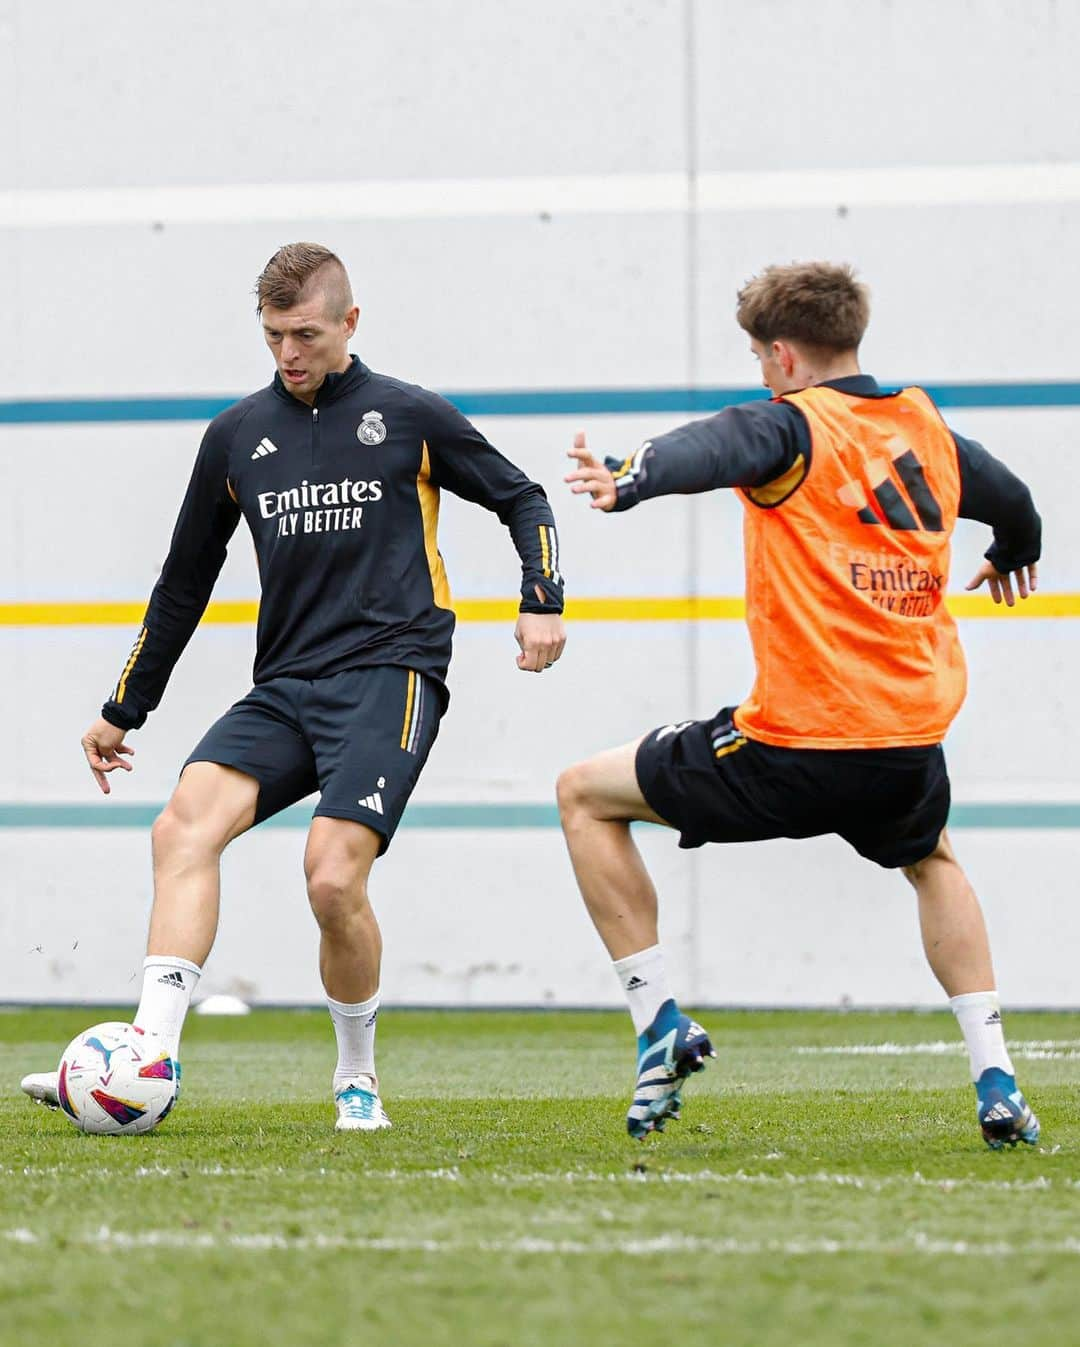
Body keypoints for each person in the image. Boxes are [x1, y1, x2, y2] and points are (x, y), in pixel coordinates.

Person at [22, 242, 566, 1131]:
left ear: (350, 323)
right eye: (274, 335)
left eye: (305, 333)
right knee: (181, 827)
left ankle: (357, 1076)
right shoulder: (237, 435)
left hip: (391, 675)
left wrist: (540, 599)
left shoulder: (409, 415)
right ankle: (146, 1058)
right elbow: (182, 582)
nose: (288, 353)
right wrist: (125, 708)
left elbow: (525, 496)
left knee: (329, 878)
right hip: (285, 685)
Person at [558, 260, 1041, 1148]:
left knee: (583, 793)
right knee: (933, 859)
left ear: (782, 355)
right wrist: (1016, 547)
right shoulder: (922, 429)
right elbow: (1013, 499)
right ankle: (998, 1078)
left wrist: (628, 477)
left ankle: (659, 1021)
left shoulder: (791, 425)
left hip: (798, 745)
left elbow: (715, 447)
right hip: (906, 742)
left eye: (757, 356)